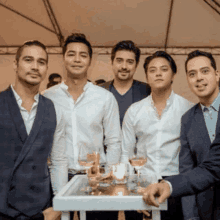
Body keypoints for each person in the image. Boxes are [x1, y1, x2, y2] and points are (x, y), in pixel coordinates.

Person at [43, 33, 121, 220]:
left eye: (83, 55)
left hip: (97, 178)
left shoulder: (105, 98)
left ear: (90, 61)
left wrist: (108, 178)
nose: (77, 59)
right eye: (71, 54)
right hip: (59, 177)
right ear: (63, 58)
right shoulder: (47, 98)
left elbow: (114, 142)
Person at [142, 50, 220, 219]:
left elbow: (215, 165)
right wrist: (191, 216)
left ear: (217, 74)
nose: (199, 78)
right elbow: (188, 169)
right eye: (192, 74)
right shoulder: (188, 119)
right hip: (206, 209)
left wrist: (169, 186)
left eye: (205, 71)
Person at [0, 40, 68, 220]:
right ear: (15, 64)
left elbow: (58, 161)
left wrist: (58, 204)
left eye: (41, 62)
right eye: (28, 60)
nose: (35, 67)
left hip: (41, 208)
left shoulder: (54, 110)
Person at [121, 51, 193, 220]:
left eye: (164, 69)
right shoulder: (134, 111)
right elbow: (126, 153)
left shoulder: (188, 109)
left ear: (173, 74)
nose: (158, 73)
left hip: (175, 184)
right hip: (142, 182)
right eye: (152, 70)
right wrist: (133, 192)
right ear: (146, 76)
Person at [101, 40, 151, 126]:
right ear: (112, 62)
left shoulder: (147, 92)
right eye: (119, 61)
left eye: (130, 62)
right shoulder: (100, 91)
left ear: (136, 65)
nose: (124, 66)